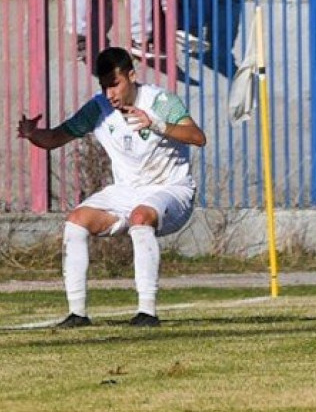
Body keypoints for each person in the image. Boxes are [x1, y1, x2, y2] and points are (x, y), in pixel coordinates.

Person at [17, 46, 205, 327]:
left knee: (141, 217)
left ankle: (147, 312)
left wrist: (156, 125)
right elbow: (55, 138)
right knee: (76, 221)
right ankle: (77, 314)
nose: (110, 94)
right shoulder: (99, 109)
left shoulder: (161, 101)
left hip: (172, 189)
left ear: (131, 75)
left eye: (115, 85)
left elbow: (197, 137)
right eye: (104, 87)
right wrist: (33, 134)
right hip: (127, 191)